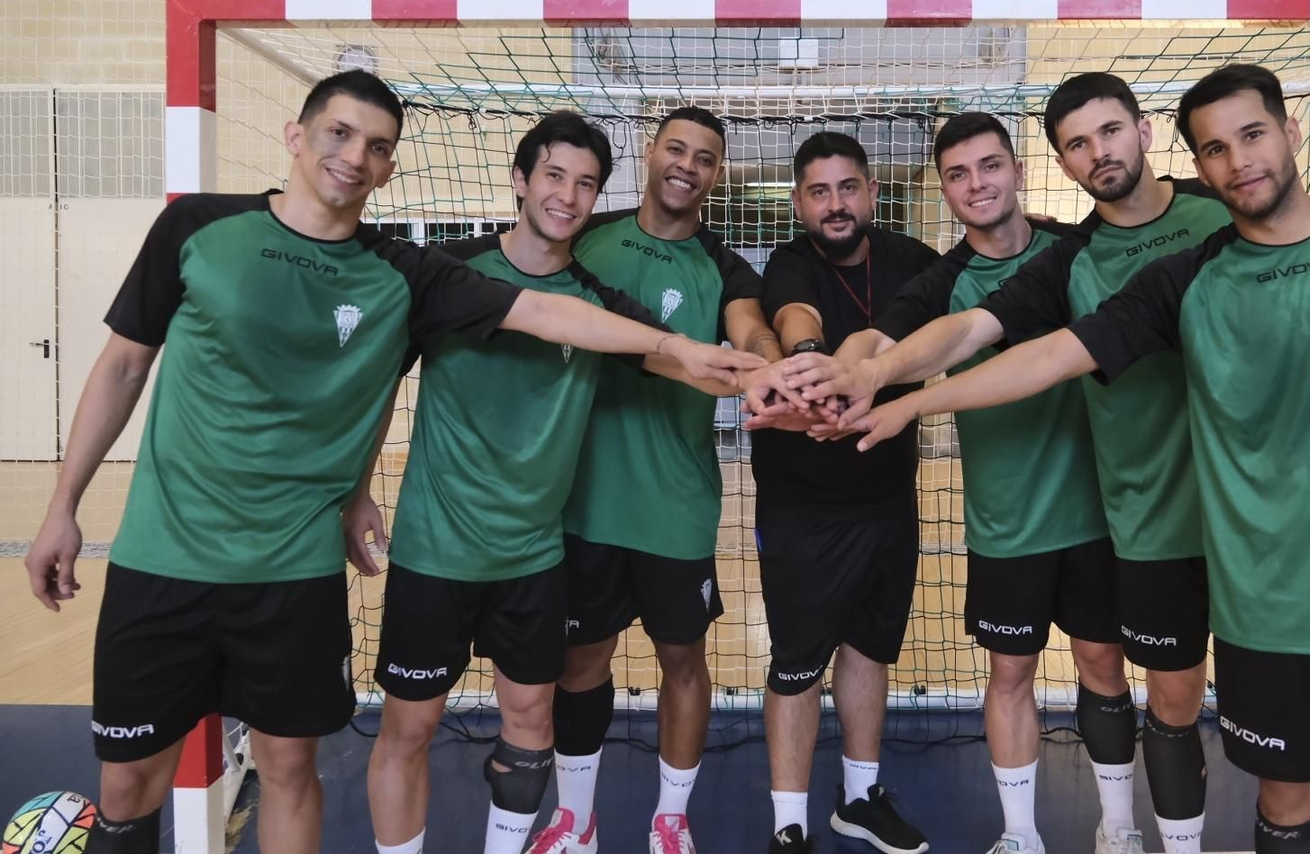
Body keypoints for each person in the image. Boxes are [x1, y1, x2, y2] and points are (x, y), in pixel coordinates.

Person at [22, 72, 762, 854]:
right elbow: (124, 367)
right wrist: (64, 503)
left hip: (325, 567)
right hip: (178, 559)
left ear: (389, 168)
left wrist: (713, 357)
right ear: (295, 134)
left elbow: (549, 312)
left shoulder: (409, 274)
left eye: (375, 146)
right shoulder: (205, 229)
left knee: (292, 763)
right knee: (130, 788)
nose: (353, 156)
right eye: (339, 133)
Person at [849, 64, 1310, 854]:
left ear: (1289, 132)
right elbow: (1039, 353)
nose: (1238, 160)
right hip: (1263, 600)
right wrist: (901, 394)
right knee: (1284, 805)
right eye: (1217, 148)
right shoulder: (1182, 280)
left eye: (1252, 135)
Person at [783, 76, 1232, 854]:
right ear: (945, 191)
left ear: (1021, 169)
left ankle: (1118, 826)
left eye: (989, 166)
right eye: (957, 174)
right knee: (1012, 672)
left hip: (1103, 514)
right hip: (1006, 522)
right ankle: (1020, 835)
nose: (976, 184)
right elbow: (882, 344)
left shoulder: (1076, 249)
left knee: (1102, 664)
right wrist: (827, 375)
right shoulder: (944, 279)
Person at [344, 112, 781, 854]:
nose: (568, 195)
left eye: (584, 183)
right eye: (554, 175)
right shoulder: (449, 272)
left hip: (536, 554)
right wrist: (355, 487)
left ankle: (576, 830)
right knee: (408, 726)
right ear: (520, 180)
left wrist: (772, 372)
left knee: (531, 728)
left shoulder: (601, 296)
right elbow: (380, 378)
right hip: (436, 548)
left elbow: (678, 352)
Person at [536, 107, 787, 854]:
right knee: (581, 661)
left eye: (705, 157)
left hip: (675, 506)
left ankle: (669, 818)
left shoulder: (723, 264)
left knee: (683, 659)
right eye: (676, 148)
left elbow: (750, 327)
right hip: (581, 500)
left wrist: (767, 364)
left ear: (716, 174)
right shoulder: (589, 237)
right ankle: (574, 819)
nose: (687, 165)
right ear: (649, 153)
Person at [749, 131, 939, 854]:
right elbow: (800, 319)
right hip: (804, 505)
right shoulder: (789, 260)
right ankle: (788, 824)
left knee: (869, 648)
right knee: (797, 660)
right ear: (800, 201)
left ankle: (859, 799)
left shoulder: (913, 260)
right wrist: (810, 364)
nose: (836, 204)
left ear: (871, 191)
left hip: (888, 496)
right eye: (820, 191)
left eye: (848, 187)